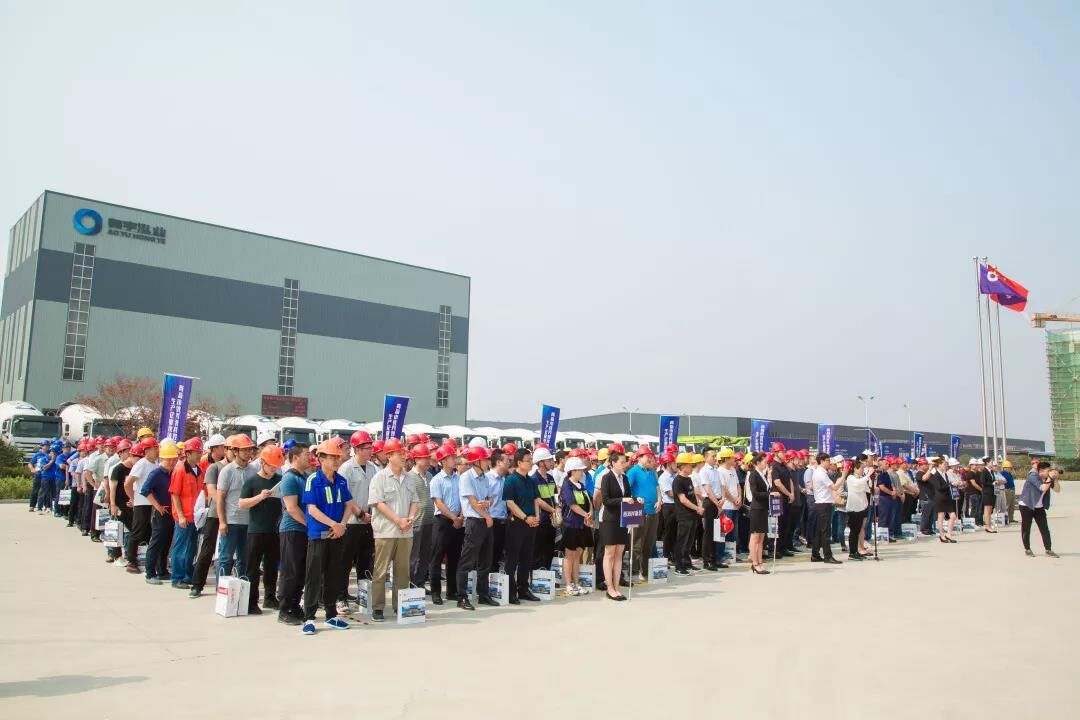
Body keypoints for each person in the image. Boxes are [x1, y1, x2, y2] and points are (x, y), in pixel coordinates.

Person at [301, 439, 360, 635]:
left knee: (334, 575)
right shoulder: (313, 480)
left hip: (337, 535)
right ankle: (309, 617)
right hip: (319, 535)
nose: (336, 461)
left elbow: (349, 504)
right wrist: (333, 524)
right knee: (314, 576)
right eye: (332, 457)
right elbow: (312, 509)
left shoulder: (340, 480)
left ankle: (330, 614)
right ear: (321, 459)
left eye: (338, 457)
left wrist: (342, 524)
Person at [368, 438, 419, 622]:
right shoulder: (379, 478)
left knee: (402, 572)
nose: (404, 456)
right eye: (400, 453)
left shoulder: (409, 478)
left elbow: (414, 501)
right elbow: (378, 503)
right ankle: (378, 607)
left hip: (405, 532)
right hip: (386, 532)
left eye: (404, 453)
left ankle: (400, 606)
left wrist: (410, 518)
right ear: (389, 456)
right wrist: (398, 520)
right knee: (381, 571)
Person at [239, 445, 284, 614]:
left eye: (276, 466)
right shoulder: (252, 481)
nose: (273, 469)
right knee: (253, 567)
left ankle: (270, 598)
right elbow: (242, 503)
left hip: (274, 530)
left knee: (272, 566)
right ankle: (251, 602)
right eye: (271, 465)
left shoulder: (280, 479)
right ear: (263, 463)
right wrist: (260, 497)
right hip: (256, 530)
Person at [337, 430, 377, 616]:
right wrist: (360, 513)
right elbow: (346, 497)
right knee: (345, 562)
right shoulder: (346, 469)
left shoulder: (373, 468)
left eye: (370, 447)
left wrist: (370, 514)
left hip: (368, 522)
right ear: (357, 449)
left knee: (365, 562)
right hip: (351, 522)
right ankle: (341, 597)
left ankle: (364, 597)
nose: (370, 451)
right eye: (367, 448)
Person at [456, 445, 498, 610]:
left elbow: (490, 498)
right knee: (467, 561)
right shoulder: (466, 477)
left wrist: (488, 503)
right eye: (485, 459)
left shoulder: (485, 478)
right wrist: (487, 516)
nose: (488, 462)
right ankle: (461, 597)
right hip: (474, 521)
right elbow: (473, 502)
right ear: (477, 461)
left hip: (485, 521)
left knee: (485, 560)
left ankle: (483, 594)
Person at [188, 434, 228, 598]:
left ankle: (227, 586)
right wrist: (224, 505)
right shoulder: (213, 467)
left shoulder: (242, 468)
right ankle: (197, 584)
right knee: (207, 549)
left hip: (233, 515)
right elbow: (210, 491)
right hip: (214, 513)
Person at [216, 434, 257, 580]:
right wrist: (222, 522)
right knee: (226, 558)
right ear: (235, 451)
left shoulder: (253, 471)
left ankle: (241, 589)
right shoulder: (227, 471)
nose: (248, 453)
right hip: (231, 521)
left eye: (249, 450)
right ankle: (221, 589)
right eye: (244, 450)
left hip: (248, 522)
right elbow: (220, 498)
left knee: (244, 559)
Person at [503, 448, 542, 604]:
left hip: (531, 523)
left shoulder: (531, 481)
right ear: (519, 462)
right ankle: (511, 592)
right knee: (513, 559)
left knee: (527, 558)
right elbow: (510, 503)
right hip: (517, 523)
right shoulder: (511, 480)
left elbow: (536, 500)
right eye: (528, 460)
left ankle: (524, 589)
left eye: (531, 460)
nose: (531, 463)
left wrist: (537, 517)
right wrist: (525, 518)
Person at [277, 443, 310, 625]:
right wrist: (309, 524)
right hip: (292, 530)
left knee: (301, 571)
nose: (309, 457)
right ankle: (285, 609)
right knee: (290, 571)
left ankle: (295, 604)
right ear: (295, 457)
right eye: (306, 454)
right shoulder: (289, 478)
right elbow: (292, 508)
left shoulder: (306, 477)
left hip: (304, 530)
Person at [429, 446, 464, 605]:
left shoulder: (459, 478)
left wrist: (460, 516)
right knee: (437, 557)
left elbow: (464, 498)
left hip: (458, 520)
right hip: (442, 521)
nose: (454, 460)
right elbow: (439, 502)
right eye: (451, 457)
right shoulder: (437, 480)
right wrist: (453, 517)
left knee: (454, 557)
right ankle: (436, 592)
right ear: (443, 461)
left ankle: (452, 590)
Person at [141, 441, 180, 585]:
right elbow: (145, 490)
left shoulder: (172, 473)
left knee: (166, 542)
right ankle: (150, 572)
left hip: (171, 511)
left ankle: (162, 570)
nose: (172, 462)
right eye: (169, 459)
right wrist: (157, 506)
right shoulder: (156, 473)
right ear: (162, 458)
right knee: (156, 542)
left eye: (174, 459)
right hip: (161, 512)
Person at [167, 438, 204, 588]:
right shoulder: (180, 470)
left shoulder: (199, 470)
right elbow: (175, 494)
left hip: (195, 516)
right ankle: (177, 578)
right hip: (184, 516)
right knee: (181, 547)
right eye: (196, 452)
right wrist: (181, 515)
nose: (199, 454)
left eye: (200, 452)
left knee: (191, 547)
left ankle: (188, 576)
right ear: (188, 453)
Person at [598, 448, 634, 600]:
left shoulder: (624, 478)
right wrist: (623, 500)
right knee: (610, 553)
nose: (624, 465)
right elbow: (606, 500)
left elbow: (628, 496)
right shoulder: (606, 477)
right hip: (610, 519)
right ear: (613, 463)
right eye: (621, 462)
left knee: (620, 553)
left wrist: (635, 500)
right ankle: (609, 587)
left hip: (622, 519)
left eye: (625, 462)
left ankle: (617, 586)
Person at [559, 455, 593, 595]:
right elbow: (572, 504)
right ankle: (569, 583)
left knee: (578, 553)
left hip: (582, 525)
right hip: (571, 524)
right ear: (572, 471)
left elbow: (588, 501)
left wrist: (590, 513)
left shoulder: (581, 485)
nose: (582, 472)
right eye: (579, 470)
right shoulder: (567, 485)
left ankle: (577, 582)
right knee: (570, 554)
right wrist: (585, 514)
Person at [124, 437, 159, 574]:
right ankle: (131, 561)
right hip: (141, 503)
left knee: (150, 532)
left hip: (153, 503)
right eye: (155, 448)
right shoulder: (141, 464)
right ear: (147, 450)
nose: (157, 451)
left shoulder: (156, 464)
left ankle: (147, 560)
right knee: (137, 532)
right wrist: (132, 498)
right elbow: (128, 483)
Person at [627, 446, 659, 582]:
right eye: (648, 456)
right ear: (639, 457)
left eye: (651, 456)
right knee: (637, 544)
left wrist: (660, 500)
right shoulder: (633, 472)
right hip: (639, 511)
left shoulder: (651, 472)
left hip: (653, 511)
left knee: (649, 543)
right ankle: (633, 572)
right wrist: (634, 500)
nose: (650, 459)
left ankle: (644, 571)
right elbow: (626, 490)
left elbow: (657, 488)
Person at [408, 443, 436, 592]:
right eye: (424, 458)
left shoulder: (429, 476)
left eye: (428, 458)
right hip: (416, 521)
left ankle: (420, 583)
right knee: (413, 556)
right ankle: (411, 584)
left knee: (425, 555)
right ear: (416, 459)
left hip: (429, 521)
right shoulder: (409, 477)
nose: (428, 461)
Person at [1018, 462, 1060, 558]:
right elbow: (1043, 488)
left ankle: (1048, 550)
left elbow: (1057, 490)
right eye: (1048, 471)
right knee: (1026, 528)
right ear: (1041, 471)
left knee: (1044, 528)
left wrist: (1055, 479)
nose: (1049, 472)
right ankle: (1027, 549)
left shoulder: (1047, 478)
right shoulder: (1033, 476)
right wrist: (1050, 478)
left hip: (1039, 507)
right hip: (1027, 504)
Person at [807, 453, 842, 564]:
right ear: (821, 461)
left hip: (822, 503)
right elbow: (834, 487)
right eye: (827, 460)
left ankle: (815, 554)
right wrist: (844, 476)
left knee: (819, 531)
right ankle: (828, 556)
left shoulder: (820, 472)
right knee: (826, 531)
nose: (829, 463)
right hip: (823, 504)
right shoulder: (821, 473)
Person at [671, 452, 702, 576]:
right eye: (690, 465)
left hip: (692, 514)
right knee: (682, 541)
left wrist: (697, 508)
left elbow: (692, 496)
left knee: (690, 541)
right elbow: (683, 499)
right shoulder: (678, 481)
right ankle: (679, 566)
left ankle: (687, 563)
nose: (692, 467)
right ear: (683, 466)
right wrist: (697, 508)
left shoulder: (688, 479)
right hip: (684, 515)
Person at [531, 447, 558, 571]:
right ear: (541, 463)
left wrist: (557, 508)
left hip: (552, 520)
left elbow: (555, 496)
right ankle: (537, 576)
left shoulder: (551, 478)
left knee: (549, 549)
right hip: (541, 520)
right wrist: (553, 510)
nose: (552, 462)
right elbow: (538, 500)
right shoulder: (534, 479)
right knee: (538, 551)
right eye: (549, 460)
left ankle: (547, 574)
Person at [108, 440, 135, 564]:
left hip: (131, 503)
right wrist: (113, 504)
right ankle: (114, 554)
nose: (130, 454)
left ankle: (129, 554)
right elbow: (113, 488)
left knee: (130, 529)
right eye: (127, 451)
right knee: (117, 529)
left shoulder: (135, 468)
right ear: (120, 453)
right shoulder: (117, 469)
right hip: (119, 503)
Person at [698, 448, 725, 571]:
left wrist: (723, 499)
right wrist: (717, 503)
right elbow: (708, 490)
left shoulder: (716, 470)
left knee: (717, 533)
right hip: (710, 502)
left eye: (715, 456)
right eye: (713, 456)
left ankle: (714, 559)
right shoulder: (704, 471)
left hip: (718, 502)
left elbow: (722, 486)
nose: (715, 458)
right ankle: (707, 561)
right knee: (708, 533)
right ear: (706, 457)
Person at [486, 446, 512, 574]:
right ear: (498, 462)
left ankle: (494, 582)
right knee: (488, 556)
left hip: (503, 521)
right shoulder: (487, 479)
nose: (509, 463)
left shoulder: (505, 480)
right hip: (489, 521)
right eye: (507, 460)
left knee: (497, 555)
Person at [746, 452, 771, 574]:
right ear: (758, 462)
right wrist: (769, 494)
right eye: (764, 461)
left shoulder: (763, 475)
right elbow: (755, 493)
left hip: (763, 508)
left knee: (761, 537)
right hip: (757, 508)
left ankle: (760, 562)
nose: (766, 463)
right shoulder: (753, 475)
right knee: (755, 536)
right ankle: (755, 563)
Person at [770, 444, 797, 557]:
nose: (784, 453)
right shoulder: (774, 466)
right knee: (778, 525)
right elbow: (777, 483)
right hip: (777, 499)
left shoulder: (784, 465)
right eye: (782, 451)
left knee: (786, 524)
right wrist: (788, 493)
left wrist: (792, 494)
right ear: (776, 453)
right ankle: (774, 549)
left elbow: (790, 480)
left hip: (786, 499)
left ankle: (783, 547)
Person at [846, 459, 871, 558]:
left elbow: (867, 489)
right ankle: (852, 552)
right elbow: (857, 484)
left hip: (861, 507)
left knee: (857, 530)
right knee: (854, 531)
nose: (862, 470)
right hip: (854, 508)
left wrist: (870, 479)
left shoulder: (861, 478)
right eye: (861, 468)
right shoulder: (851, 477)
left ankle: (857, 550)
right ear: (855, 469)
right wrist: (868, 475)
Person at [656, 452, 678, 561]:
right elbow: (670, 493)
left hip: (675, 506)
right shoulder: (664, 477)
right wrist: (682, 494)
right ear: (669, 464)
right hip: (669, 507)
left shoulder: (674, 476)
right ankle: (667, 555)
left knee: (674, 532)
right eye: (674, 463)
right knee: (669, 532)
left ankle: (673, 554)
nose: (676, 465)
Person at [934, 458, 959, 543]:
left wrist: (953, 485)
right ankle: (941, 535)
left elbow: (948, 485)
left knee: (953, 516)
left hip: (948, 497)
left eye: (946, 464)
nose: (946, 466)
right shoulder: (936, 475)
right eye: (944, 464)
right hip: (940, 498)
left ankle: (949, 534)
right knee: (941, 516)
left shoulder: (945, 474)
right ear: (939, 465)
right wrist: (950, 484)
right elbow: (939, 487)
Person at [1000, 460, 1017, 524]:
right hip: (1007, 490)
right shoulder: (1002, 474)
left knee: (1012, 505)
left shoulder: (1009, 473)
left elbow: (1014, 475)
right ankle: (1006, 519)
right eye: (1010, 468)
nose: (1011, 469)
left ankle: (1011, 518)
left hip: (1012, 490)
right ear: (1005, 468)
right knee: (1007, 505)